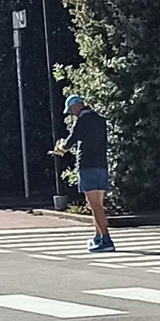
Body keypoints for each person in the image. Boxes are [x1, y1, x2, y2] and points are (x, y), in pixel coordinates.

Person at [57, 92, 114, 252]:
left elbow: (72, 140)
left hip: (87, 166)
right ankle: (97, 236)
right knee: (98, 204)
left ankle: (106, 240)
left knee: (95, 206)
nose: (72, 114)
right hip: (102, 165)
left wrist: (62, 148)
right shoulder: (100, 119)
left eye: (70, 111)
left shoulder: (82, 121)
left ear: (76, 106)